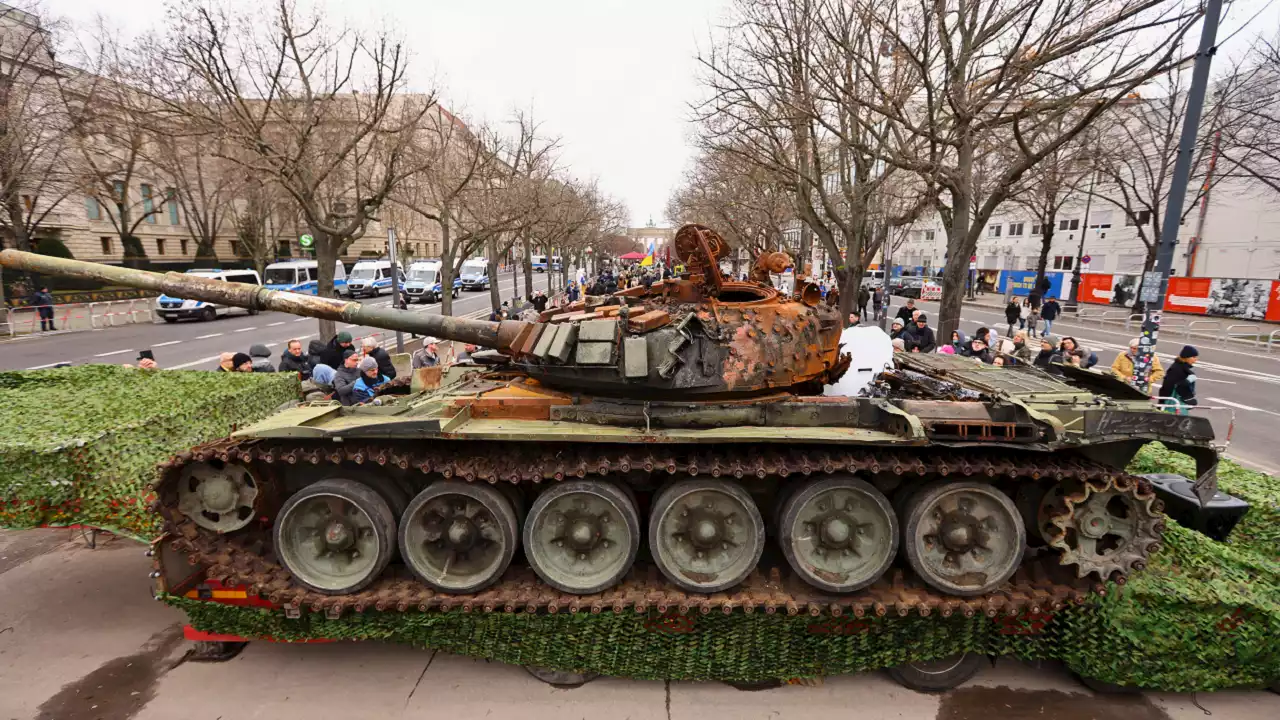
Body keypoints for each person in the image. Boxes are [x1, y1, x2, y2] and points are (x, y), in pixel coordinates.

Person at [1159, 346, 1199, 414]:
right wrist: (1189, 399)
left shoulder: (1182, 368)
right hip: (1173, 403)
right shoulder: (1177, 369)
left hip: (1174, 402)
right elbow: (1173, 386)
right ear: (1186, 357)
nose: (1196, 360)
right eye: (1194, 357)